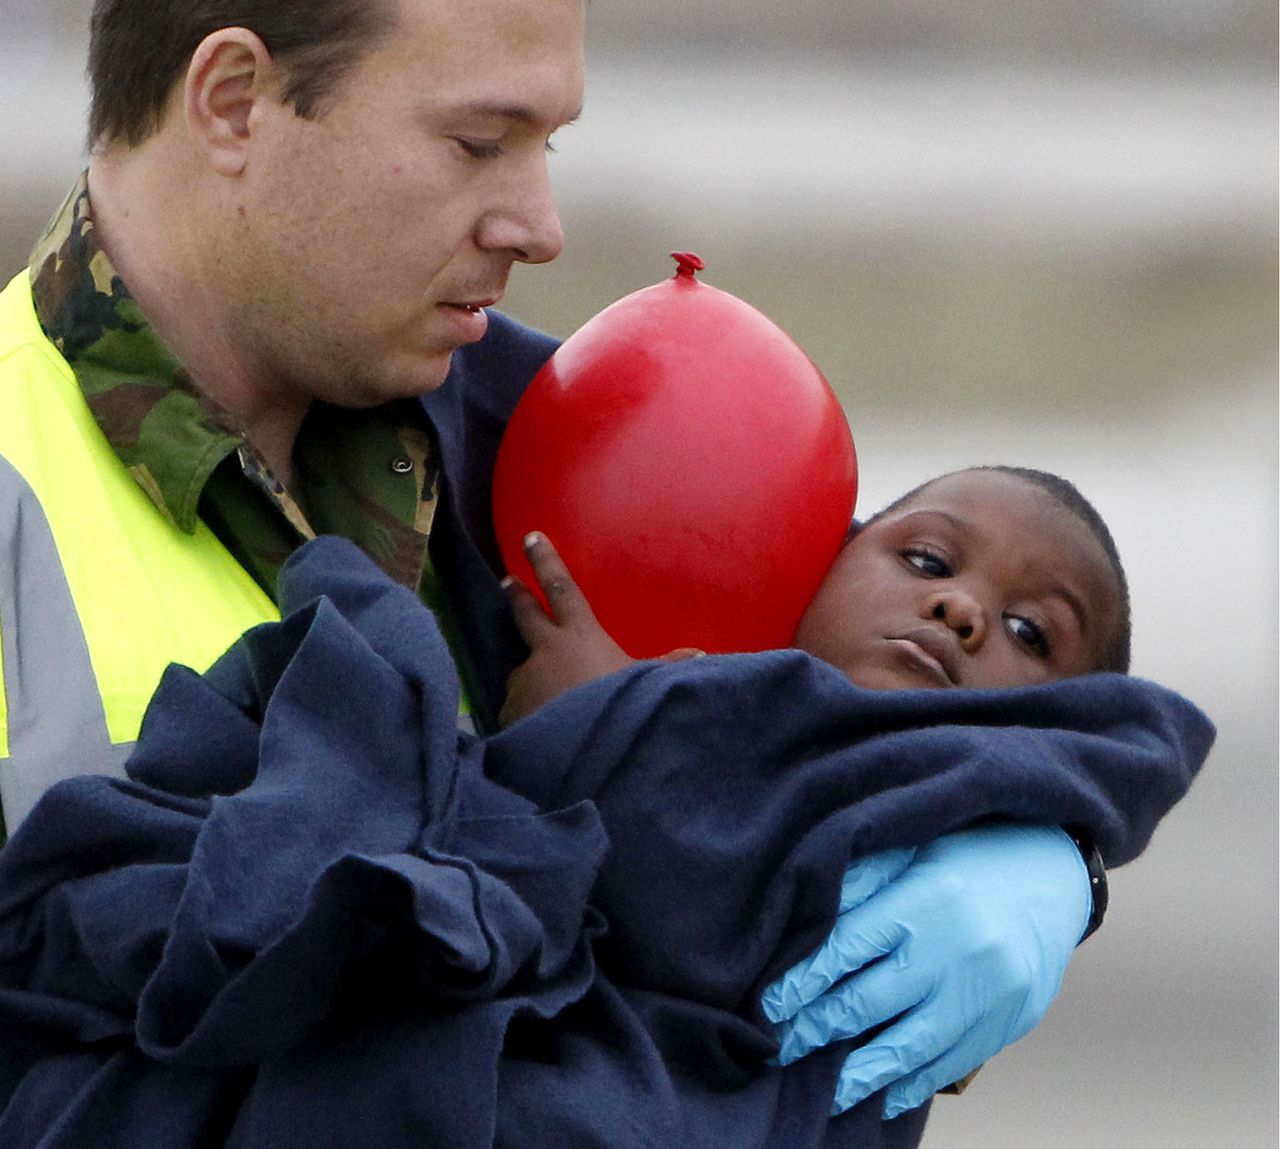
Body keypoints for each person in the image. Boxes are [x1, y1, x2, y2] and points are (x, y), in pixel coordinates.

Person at [0, 0, 1191, 1131]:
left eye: (547, 144)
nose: (541, 224)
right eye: (479, 141)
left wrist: (1032, 846)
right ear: (233, 100)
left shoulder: (556, 432)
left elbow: (844, 685)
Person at [0, 465, 1212, 1148]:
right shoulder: (511, 437)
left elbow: (688, 882)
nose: (958, 614)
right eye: (928, 561)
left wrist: (609, 720)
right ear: (820, 560)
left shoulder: (921, 800)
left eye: (1024, 632)